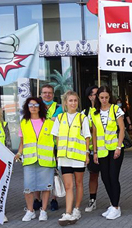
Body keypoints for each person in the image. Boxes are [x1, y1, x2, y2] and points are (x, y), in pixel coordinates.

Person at [51, 91, 90, 226]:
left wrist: (87, 154)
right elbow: (56, 138)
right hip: (64, 157)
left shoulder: (82, 118)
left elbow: (87, 137)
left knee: (78, 183)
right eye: (70, 101)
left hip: (78, 157)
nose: (73, 103)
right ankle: (68, 213)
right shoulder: (60, 118)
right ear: (65, 103)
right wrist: (56, 155)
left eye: (75, 100)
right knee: (68, 186)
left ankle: (76, 209)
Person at [16, 97, 56, 222]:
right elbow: (22, 142)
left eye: (36, 105)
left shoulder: (49, 123)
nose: (33, 107)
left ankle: (43, 211)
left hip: (46, 160)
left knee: (46, 187)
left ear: (40, 106)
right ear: (27, 107)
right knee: (28, 188)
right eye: (30, 105)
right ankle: (30, 211)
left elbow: (56, 140)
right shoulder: (24, 122)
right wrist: (18, 153)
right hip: (29, 160)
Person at [91, 86, 126, 220]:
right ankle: (112, 204)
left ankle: (116, 207)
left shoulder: (116, 109)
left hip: (115, 148)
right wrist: (94, 152)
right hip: (101, 149)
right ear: (98, 98)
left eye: (106, 97)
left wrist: (118, 147)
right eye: (101, 98)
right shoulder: (94, 113)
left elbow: (121, 129)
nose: (104, 100)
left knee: (113, 176)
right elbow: (94, 133)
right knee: (105, 177)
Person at [40, 84, 59, 211]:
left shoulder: (58, 107)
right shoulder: (36, 105)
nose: (47, 95)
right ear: (41, 94)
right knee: (39, 173)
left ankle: (54, 199)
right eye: (45, 92)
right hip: (39, 145)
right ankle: (38, 199)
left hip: (54, 145)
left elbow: (57, 120)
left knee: (54, 173)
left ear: (53, 94)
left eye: (50, 93)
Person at [82, 86, 101, 213]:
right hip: (92, 150)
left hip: (106, 148)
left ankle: (113, 201)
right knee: (93, 176)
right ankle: (92, 200)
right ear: (89, 97)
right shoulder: (85, 113)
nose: (97, 96)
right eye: (94, 94)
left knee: (109, 176)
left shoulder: (107, 110)